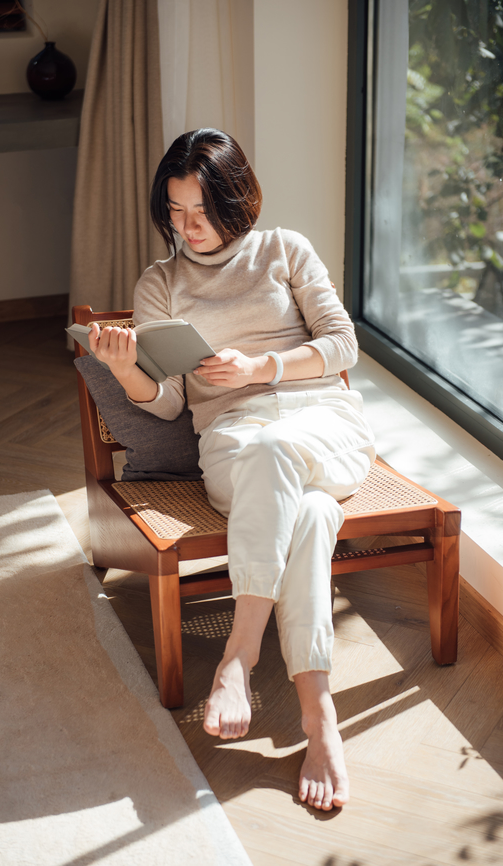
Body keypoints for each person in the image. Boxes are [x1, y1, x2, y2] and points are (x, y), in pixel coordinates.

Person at [89, 128, 375, 811]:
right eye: (175, 213)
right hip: (234, 443)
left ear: (238, 200)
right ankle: (318, 714)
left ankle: (239, 656)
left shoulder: (285, 250)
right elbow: (167, 405)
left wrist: (262, 367)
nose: (187, 229)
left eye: (201, 212)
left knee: (285, 460)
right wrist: (129, 371)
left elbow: (343, 346)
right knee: (308, 512)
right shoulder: (159, 284)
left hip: (322, 425)